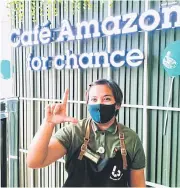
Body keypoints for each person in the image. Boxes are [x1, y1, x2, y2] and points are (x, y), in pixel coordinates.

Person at [27, 79, 146, 187]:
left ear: (117, 105)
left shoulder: (131, 139)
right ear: (88, 104)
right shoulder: (74, 131)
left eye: (107, 99)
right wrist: (48, 123)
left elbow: (138, 185)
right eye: (94, 99)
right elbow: (34, 162)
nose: (99, 104)